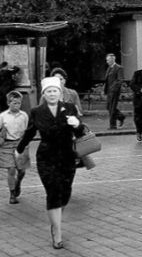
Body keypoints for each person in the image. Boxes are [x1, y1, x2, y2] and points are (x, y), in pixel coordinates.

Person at [15, 76, 84, 250]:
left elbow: (81, 131)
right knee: (53, 192)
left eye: (55, 91)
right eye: (48, 91)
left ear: (60, 93)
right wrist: (19, 148)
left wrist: (77, 124)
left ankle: (56, 220)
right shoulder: (37, 111)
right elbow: (30, 133)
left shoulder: (69, 108)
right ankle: (57, 231)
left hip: (67, 156)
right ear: (44, 94)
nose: (52, 94)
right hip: (47, 157)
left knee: (65, 193)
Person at [0, 90, 30, 205]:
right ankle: (12, 194)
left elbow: (27, 130)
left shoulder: (24, 115)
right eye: (14, 103)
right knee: (11, 169)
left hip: (20, 144)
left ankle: (18, 183)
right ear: (8, 103)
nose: (17, 105)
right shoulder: (3, 116)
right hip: (7, 145)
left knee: (22, 171)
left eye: (18, 103)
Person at [103, 53, 126, 130]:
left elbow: (120, 80)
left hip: (114, 91)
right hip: (109, 91)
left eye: (108, 60)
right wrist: (105, 90)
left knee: (112, 108)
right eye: (107, 60)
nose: (107, 61)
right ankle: (121, 116)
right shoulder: (109, 68)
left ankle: (113, 125)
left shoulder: (118, 68)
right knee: (108, 107)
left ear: (113, 59)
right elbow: (107, 81)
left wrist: (114, 88)